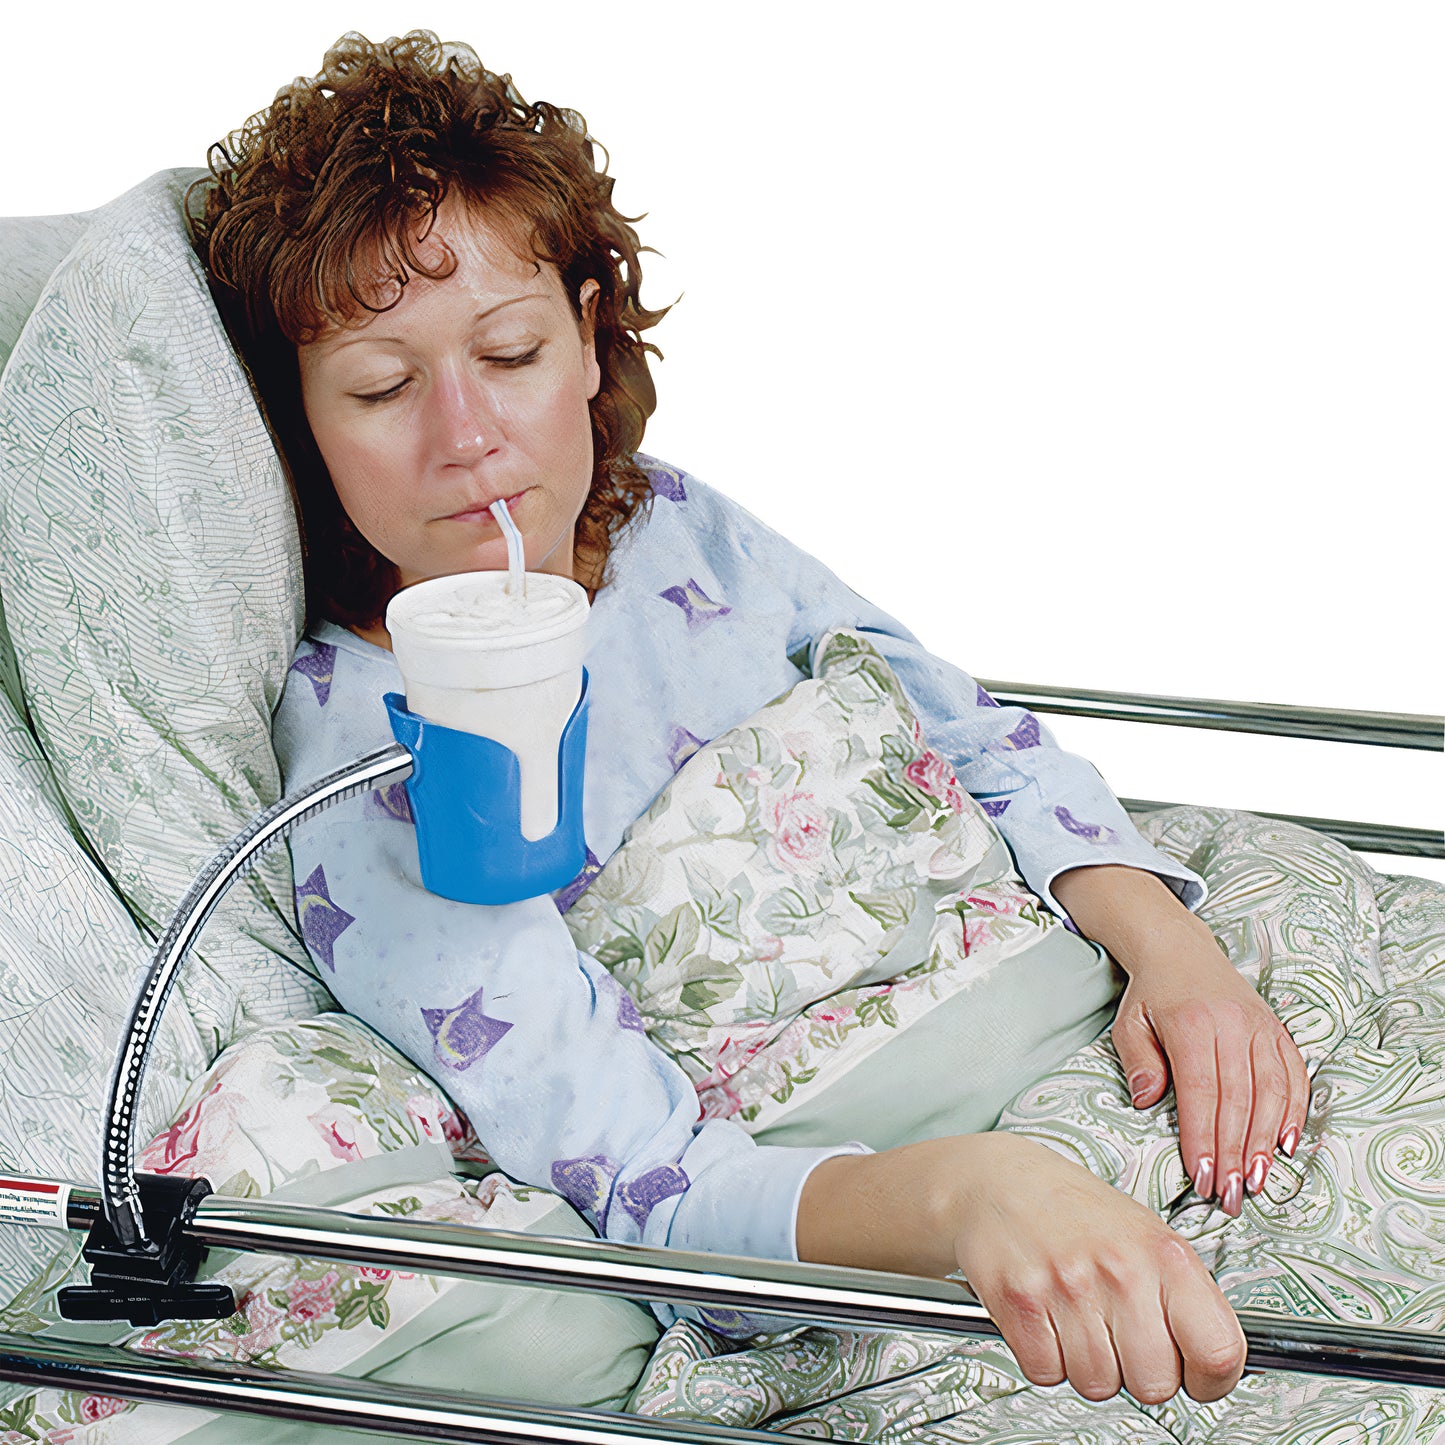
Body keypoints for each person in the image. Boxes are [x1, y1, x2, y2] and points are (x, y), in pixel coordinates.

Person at [190, 29, 1310, 1407]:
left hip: (1125, 1039)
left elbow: (967, 733)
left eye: (511, 350)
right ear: (298, 426)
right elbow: (643, 1185)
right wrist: (975, 1193)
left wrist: (1180, 960)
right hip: (925, 1208)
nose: (466, 434)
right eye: (381, 386)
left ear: (587, 339)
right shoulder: (371, 759)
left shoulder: (666, 526)